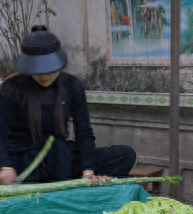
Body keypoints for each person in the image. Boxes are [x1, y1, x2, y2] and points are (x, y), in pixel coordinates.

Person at [0, 25, 137, 186]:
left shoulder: (72, 85)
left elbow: (84, 132)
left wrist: (88, 171)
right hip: (20, 158)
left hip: (59, 158)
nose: (44, 75)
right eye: (38, 70)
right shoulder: (12, 87)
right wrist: (5, 167)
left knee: (124, 154)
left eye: (49, 69)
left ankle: (72, 185)